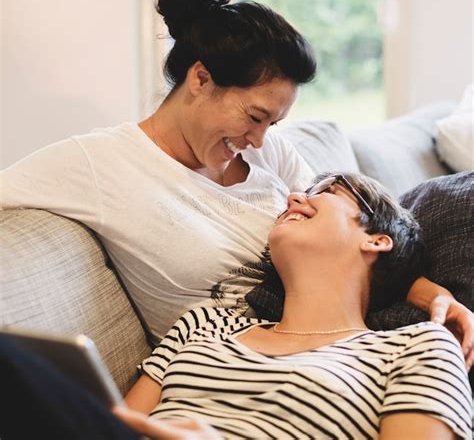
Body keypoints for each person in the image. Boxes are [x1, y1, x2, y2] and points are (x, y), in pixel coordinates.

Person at [0, 0, 472, 350]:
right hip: (232, 371)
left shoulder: (267, 150)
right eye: (255, 116)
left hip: (340, 336)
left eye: (274, 123)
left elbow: (352, 243)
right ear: (201, 79)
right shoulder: (99, 163)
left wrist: (433, 294)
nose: (259, 138)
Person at [123, 172, 472, 439]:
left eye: (328, 191)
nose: (293, 198)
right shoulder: (204, 324)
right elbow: (113, 427)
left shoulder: (419, 348)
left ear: (377, 241)